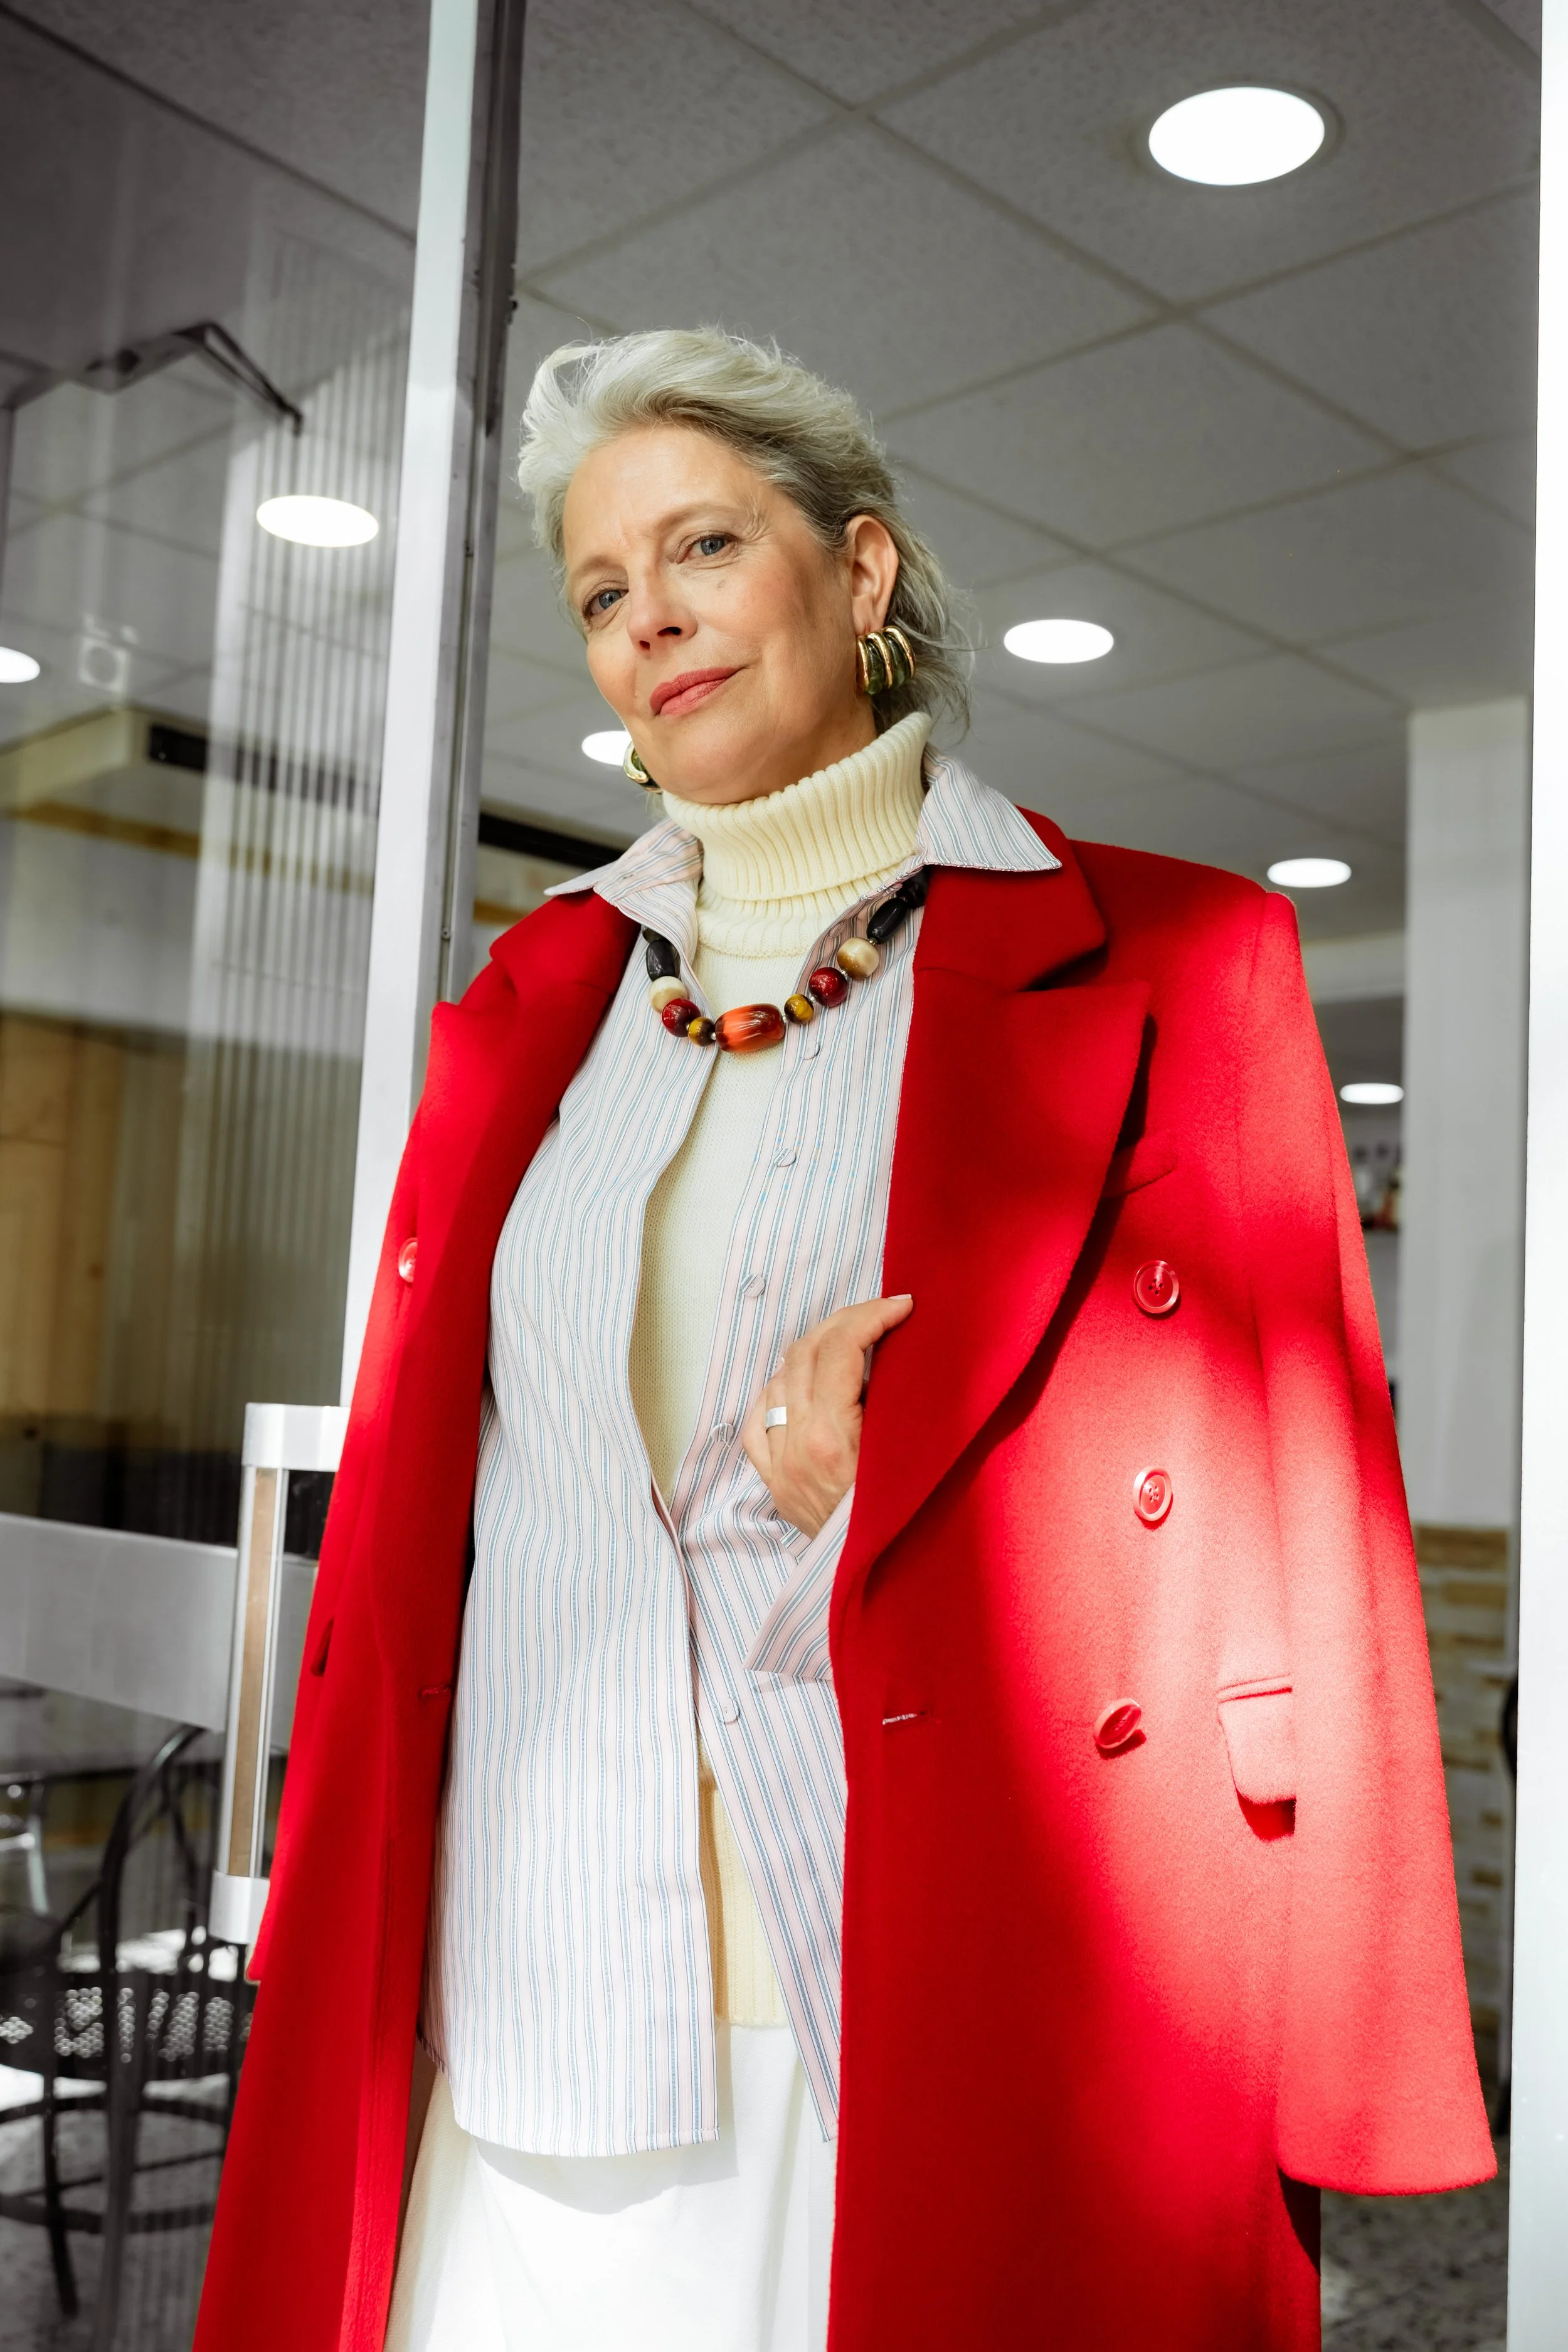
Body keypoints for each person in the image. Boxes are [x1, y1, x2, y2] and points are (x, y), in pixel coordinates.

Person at [196, 328, 1492, 2352]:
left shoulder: (1174, 962)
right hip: (520, 1974)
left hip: (891, 1973)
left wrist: (910, 1508)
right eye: (602, 594)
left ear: (861, 574)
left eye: (701, 545)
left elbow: (1294, 1523)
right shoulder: (534, 998)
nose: (651, 623)